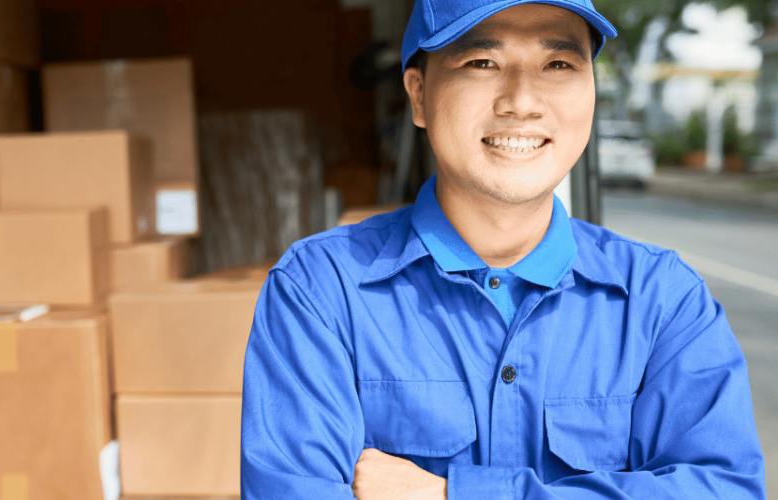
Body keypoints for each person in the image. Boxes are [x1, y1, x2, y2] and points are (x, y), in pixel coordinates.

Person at [239, 1, 767, 499]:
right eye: (482, 61)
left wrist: (454, 493)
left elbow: (724, 488)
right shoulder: (320, 290)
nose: (521, 100)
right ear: (419, 95)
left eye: (558, 64)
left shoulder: (661, 300)